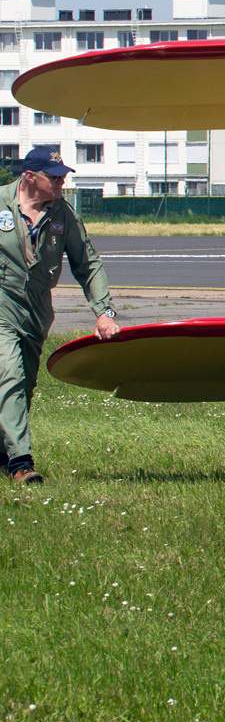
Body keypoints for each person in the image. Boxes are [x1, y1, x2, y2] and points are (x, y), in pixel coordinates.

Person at [0, 147, 119, 486]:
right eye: (53, 177)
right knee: (8, 374)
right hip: (1, 302)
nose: (61, 181)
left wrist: (104, 312)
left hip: (37, 309)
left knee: (23, 384)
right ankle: (21, 463)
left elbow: (89, 264)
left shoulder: (63, 215)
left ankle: (3, 452)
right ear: (29, 177)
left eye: (63, 175)